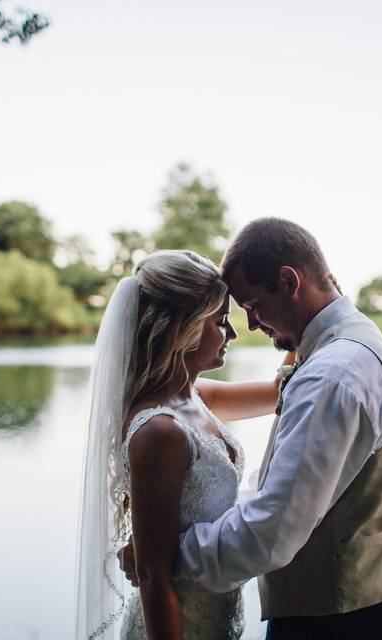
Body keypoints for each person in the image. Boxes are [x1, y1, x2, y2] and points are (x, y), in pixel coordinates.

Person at [125, 218, 382, 639]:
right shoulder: (350, 341)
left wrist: (167, 555)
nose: (248, 325)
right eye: (226, 316)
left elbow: (273, 530)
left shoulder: (332, 373)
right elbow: (284, 489)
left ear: (290, 282)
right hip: (351, 606)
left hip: (338, 621)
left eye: (251, 305)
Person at [77, 249, 288, 640]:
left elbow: (280, 391)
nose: (233, 334)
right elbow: (153, 576)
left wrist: (304, 319)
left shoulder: (197, 396)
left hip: (217, 619)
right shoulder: (160, 430)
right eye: (221, 322)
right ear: (184, 327)